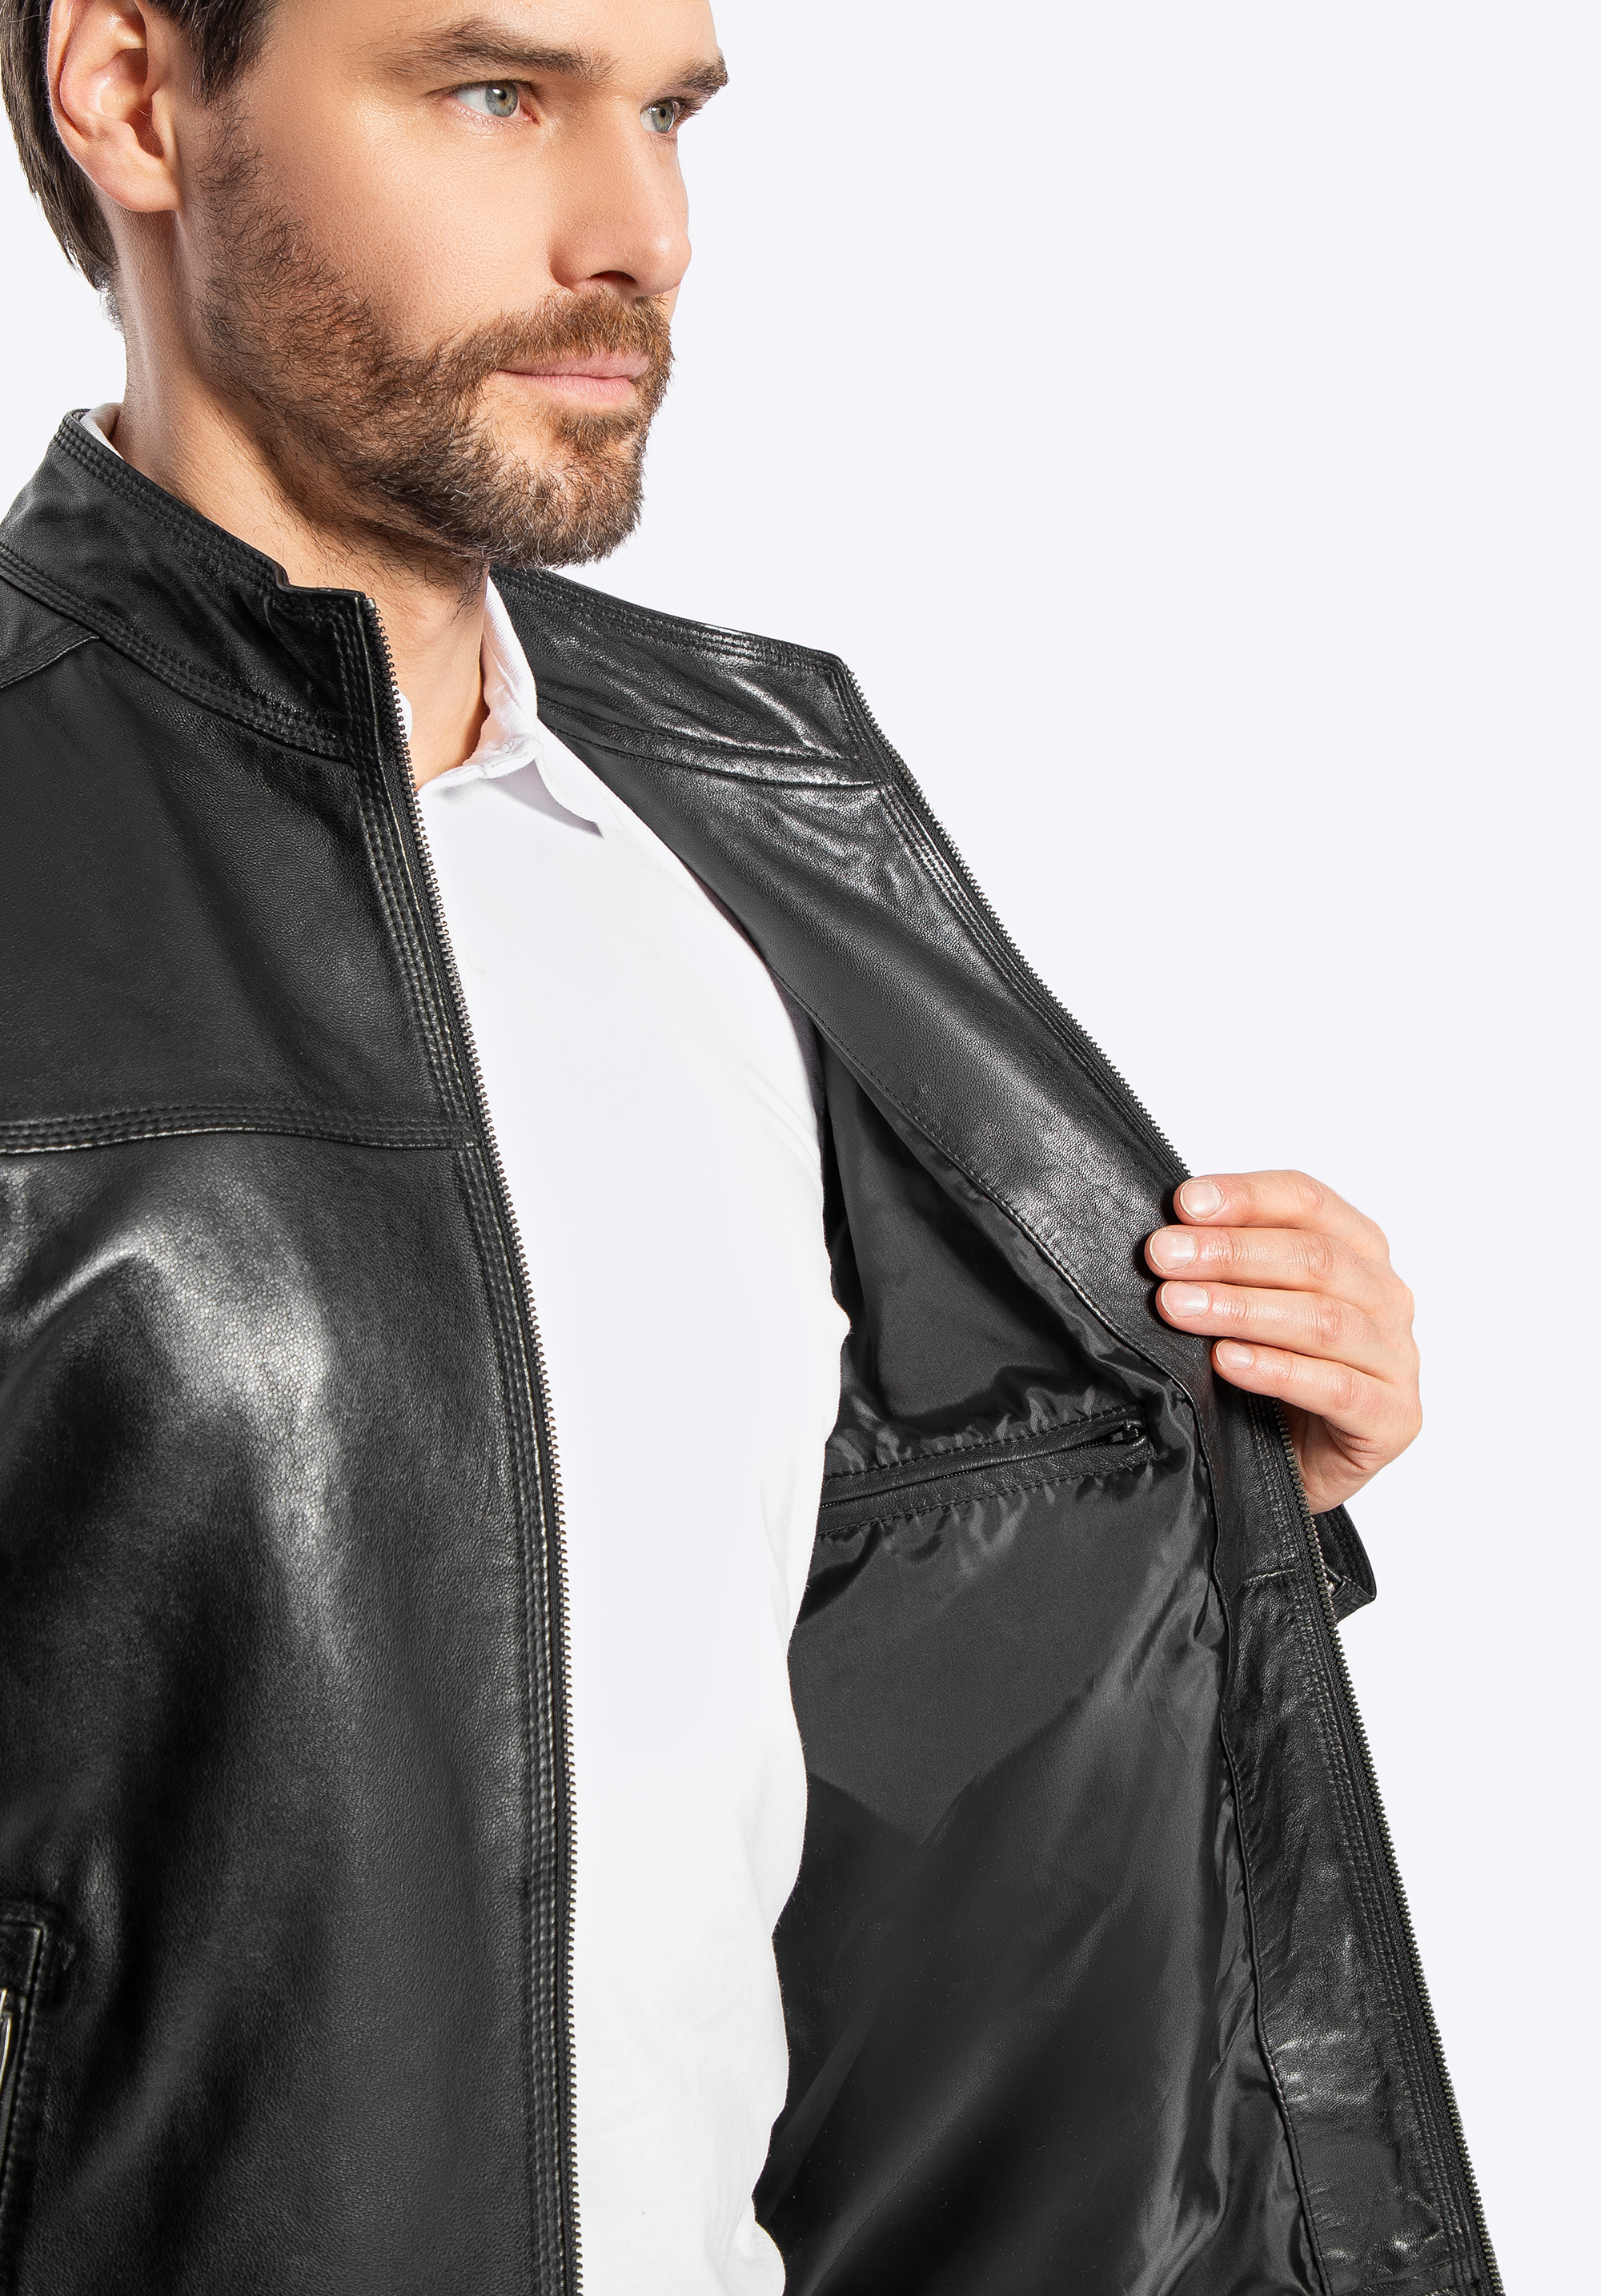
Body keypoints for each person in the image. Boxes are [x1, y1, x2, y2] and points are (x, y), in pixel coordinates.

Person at [0, 2, 1496, 2292]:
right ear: (134, 95)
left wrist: (1191, 1485)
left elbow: (820, 1704)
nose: (644, 231)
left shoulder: (744, 811)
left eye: (670, 111)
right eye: (496, 92)